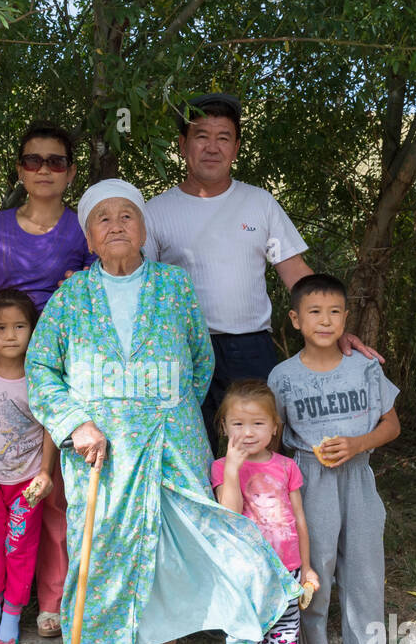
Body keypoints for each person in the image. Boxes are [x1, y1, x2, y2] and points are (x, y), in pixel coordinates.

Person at [26, 179, 301, 644]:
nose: (118, 224)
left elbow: (200, 363)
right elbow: (40, 372)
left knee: (167, 561)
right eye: (104, 218)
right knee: (95, 557)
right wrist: (78, 422)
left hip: (171, 448)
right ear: (90, 236)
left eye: (128, 214)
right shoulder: (72, 296)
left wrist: (164, 416)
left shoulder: (174, 287)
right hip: (99, 454)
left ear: (145, 229)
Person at [142, 93, 376, 444]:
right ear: (182, 144)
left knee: (263, 450)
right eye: (201, 136)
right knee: (189, 449)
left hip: (249, 347)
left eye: (223, 138)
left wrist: (334, 328)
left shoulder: (259, 203)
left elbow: (294, 270)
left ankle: (266, 502)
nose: (212, 147)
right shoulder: (155, 211)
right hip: (181, 347)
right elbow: (138, 284)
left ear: (235, 148)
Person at [0, 122, 90, 636]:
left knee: (50, 488)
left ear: (70, 172)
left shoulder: (83, 230)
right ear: (19, 169)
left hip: (55, 373)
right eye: (33, 160)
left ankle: (51, 595)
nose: (44, 169)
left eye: (55, 161)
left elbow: (93, 299)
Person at [267, 274, 416, 644]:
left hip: (357, 476)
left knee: (366, 583)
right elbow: (270, 438)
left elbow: (391, 425)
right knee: (314, 584)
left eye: (334, 312)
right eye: (314, 312)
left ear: (346, 318)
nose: (325, 320)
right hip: (307, 481)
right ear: (295, 320)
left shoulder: (365, 369)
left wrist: (357, 444)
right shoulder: (283, 376)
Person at [210, 379, 319, 644]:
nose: (247, 432)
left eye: (258, 423)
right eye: (237, 424)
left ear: (275, 427)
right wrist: (233, 468)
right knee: (243, 640)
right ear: (224, 428)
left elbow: (300, 520)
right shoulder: (222, 467)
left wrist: (307, 568)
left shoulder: (287, 467)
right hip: (245, 576)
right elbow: (227, 515)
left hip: (287, 575)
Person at [0, 288, 57, 644]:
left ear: (33, 331)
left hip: (27, 483)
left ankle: (11, 615)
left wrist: (45, 472)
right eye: (0, 328)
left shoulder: (41, 377)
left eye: (20, 326)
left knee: (20, 549)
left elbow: (53, 423)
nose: (10, 335)